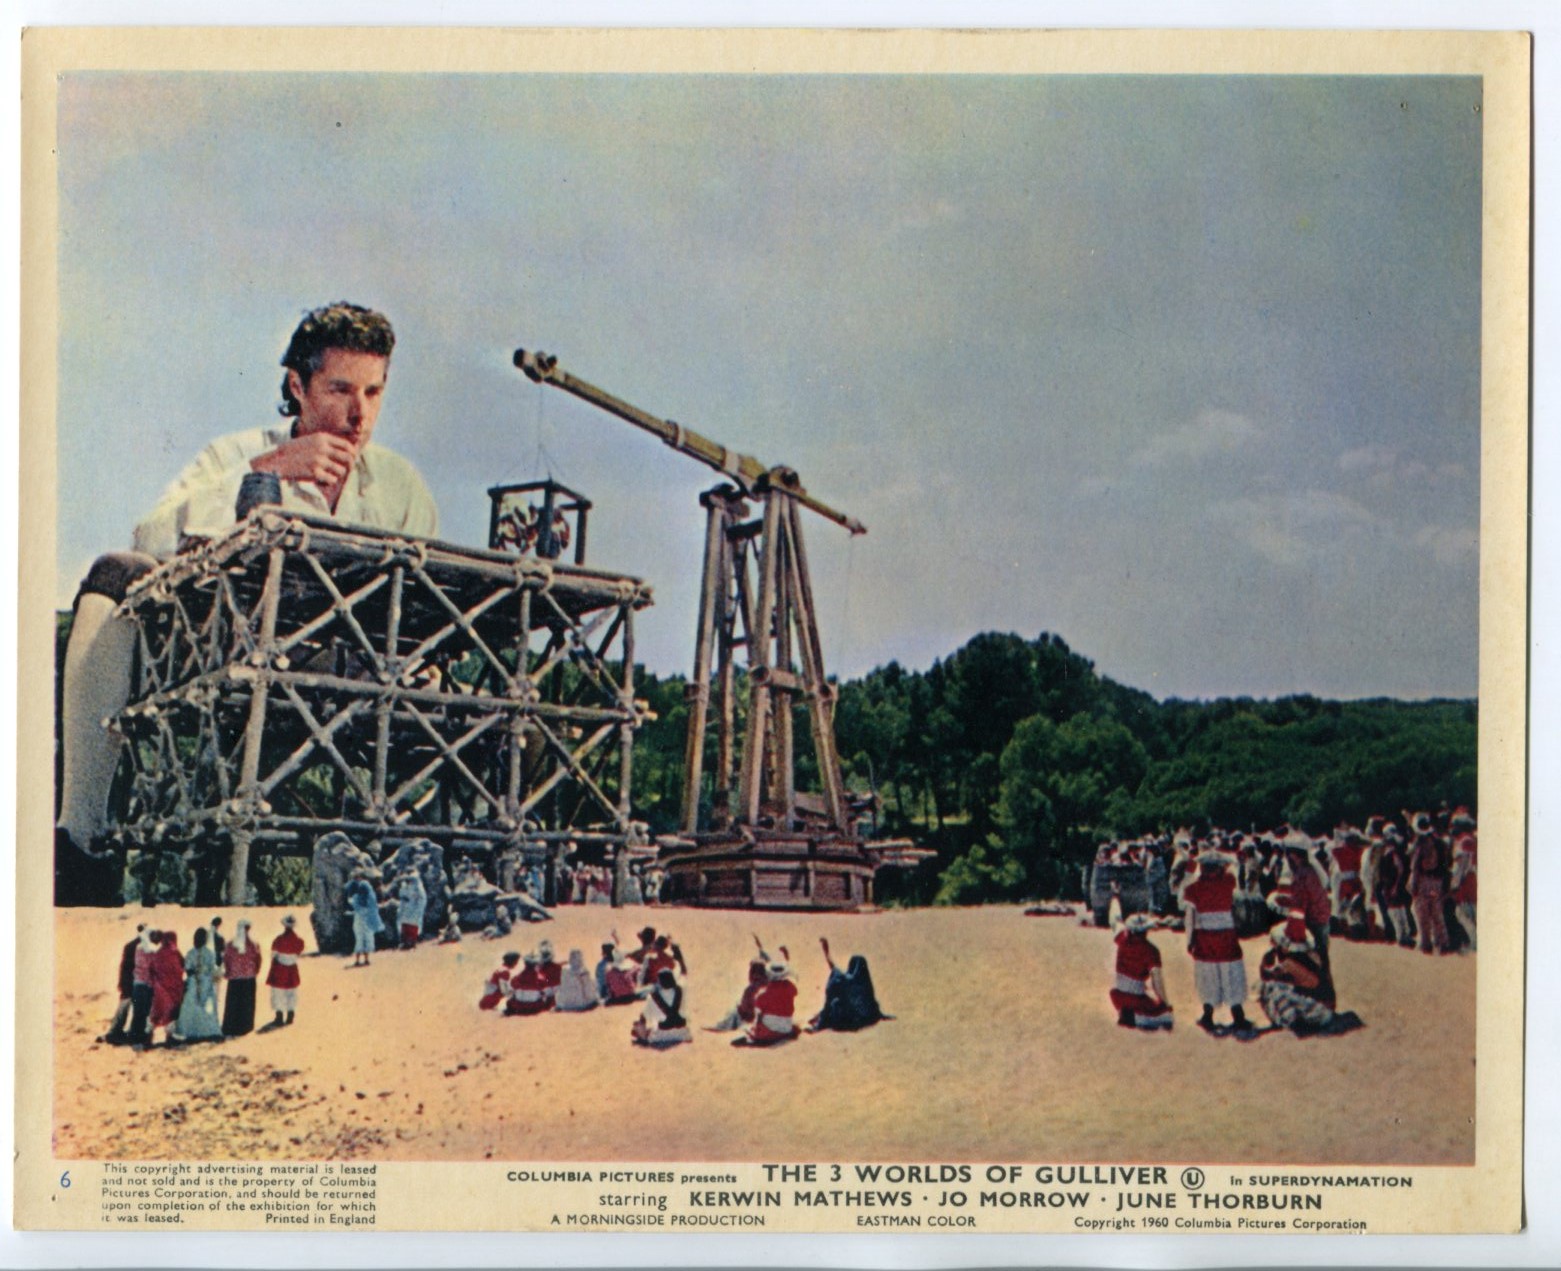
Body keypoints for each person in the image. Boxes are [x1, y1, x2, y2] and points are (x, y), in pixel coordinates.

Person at [54, 303, 438, 906]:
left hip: (350, 664)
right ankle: (80, 838)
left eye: (373, 392)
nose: (359, 414)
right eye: (340, 390)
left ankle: (421, 863)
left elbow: (427, 600)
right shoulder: (238, 453)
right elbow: (149, 537)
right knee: (113, 573)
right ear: (297, 386)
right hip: (226, 646)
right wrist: (267, 470)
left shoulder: (400, 484)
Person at [1255, 901, 1364, 1037]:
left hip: (1320, 1008)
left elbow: (1312, 983)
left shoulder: (1292, 962)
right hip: (1320, 1006)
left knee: (1272, 989)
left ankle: (1295, 1024)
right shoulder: (1307, 955)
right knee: (1271, 988)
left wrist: (1273, 971)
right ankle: (1291, 1021)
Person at [1180, 852, 1255, 1038]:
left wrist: (1189, 940)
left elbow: (1189, 917)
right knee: (1231, 973)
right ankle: (1238, 1015)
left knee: (1208, 974)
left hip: (1205, 937)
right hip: (1227, 936)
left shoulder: (1193, 888)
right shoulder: (1228, 881)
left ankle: (1208, 1015)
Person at [807, 937, 890, 1033]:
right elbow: (873, 1005)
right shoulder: (864, 983)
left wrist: (826, 953)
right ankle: (819, 1018)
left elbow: (835, 970)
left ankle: (819, 1025)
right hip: (863, 1016)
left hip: (848, 1018)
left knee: (835, 1001)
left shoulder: (847, 980)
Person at [1107, 913, 1174, 1032]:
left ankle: (1128, 1014)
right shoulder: (1151, 951)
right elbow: (1157, 982)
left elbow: (1116, 924)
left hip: (1118, 994)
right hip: (1136, 998)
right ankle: (1137, 1018)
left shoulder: (1122, 938)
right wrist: (1165, 1004)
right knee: (1166, 1016)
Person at [1406, 813, 1451, 955]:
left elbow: (1415, 865)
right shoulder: (1440, 842)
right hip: (1437, 882)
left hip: (1423, 881)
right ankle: (1443, 943)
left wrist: (1413, 884)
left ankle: (1425, 943)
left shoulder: (1420, 842)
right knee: (1437, 913)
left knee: (1422, 913)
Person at [172, 927, 224, 1043]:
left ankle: (192, 1031)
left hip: (193, 982)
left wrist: (195, 975)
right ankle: (207, 1031)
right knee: (206, 1005)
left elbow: (187, 969)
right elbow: (212, 968)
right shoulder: (209, 953)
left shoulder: (191, 953)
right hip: (206, 982)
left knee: (192, 1005)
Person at [708, 936, 770, 1032]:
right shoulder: (769, 984)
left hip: (747, 1020)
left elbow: (746, 1010)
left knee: (733, 1012)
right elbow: (770, 963)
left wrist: (739, 1008)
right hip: (763, 1019)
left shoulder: (750, 990)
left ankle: (721, 1026)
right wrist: (761, 948)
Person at [735, 955, 800, 1047]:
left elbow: (758, 1013)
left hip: (769, 1030)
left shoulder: (762, 994)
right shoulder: (790, 987)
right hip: (786, 1027)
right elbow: (794, 993)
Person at [100, 922, 147, 1045]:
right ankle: (118, 1032)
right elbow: (126, 967)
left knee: (125, 1009)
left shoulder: (131, 946)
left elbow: (124, 967)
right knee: (130, 1009)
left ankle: (116, 1031)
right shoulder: (144, 947)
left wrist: (122, 983)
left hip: (131, 982)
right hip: (136, 983)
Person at [632, 968, 693, 1049]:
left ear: (660, 982)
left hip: (660, 1036)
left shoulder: (653, 997)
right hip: (683, 1034)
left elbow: (644, 1017)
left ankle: (643, 1037)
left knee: (638, 1025)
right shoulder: (681, 991)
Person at [221, 918, 262, 1037]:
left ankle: (231, 1027)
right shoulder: (254, 945)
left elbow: (226, 959)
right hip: (249, 978)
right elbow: (258, 960)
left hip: (234, 978)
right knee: (247, 1004)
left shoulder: (230, 945)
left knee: (233, 1004)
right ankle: (245, 1026)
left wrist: (228, 972)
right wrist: (255, 971)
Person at [264, 914, 305, 1030]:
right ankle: (290, 1014)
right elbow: (298, 953)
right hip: (292, 968)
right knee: (291, 992)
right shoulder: (299, 941)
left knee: (278, 993)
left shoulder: (278, 940)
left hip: (280, 968)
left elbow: (273, 954)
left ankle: (279, 1016)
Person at [148, 930, 187, 1048]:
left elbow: (151, 970)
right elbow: (183, 965)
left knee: (156, 1014)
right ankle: (169, 1037)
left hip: (160, 989)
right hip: (173, 989)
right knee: (171, 1013)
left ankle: (148, 1036)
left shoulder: (158, 953)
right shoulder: (175, 952)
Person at [126, 927, 160, 1048]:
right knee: (145, 1013)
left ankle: (134, 1037)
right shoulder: (151, 951)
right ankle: (141, 1038)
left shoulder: (139, 948)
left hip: (137, 984)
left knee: (137, 1013)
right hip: (147, 986)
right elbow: (153, 967)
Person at [345, 868, 384, 967]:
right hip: (366, 916)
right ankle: (366, 960)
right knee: (367, 936)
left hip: (360, 916)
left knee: (359, 937)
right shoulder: (366, 887)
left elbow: (351, 900)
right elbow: (372, 902)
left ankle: (359, 960)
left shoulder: (356, 889)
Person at [1450, 831, 1477, 953]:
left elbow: (1461, 867)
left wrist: (1454, 885)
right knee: (1472, 913)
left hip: (1465, 883)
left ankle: (1474, 942)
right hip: (1473, 880)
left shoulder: (1463, 842)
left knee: (1461, 913)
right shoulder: (1473, 840)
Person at [505, 952, 552, 1016]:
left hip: (518, 1007)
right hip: (535, 1007)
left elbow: (510, 990)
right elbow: (546, 993)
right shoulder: (541, 978)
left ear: (525, 964)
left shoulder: (517, 977)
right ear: (537, 964)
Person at [396, 869, 429, 950]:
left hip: (414, 908)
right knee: (404, 925)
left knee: (413, 925)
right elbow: (401, 895)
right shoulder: (404, 886)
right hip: (405, 909)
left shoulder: (418, 887)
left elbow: (422, 899)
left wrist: (418, 907)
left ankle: (412, 942)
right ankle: (404, 942)